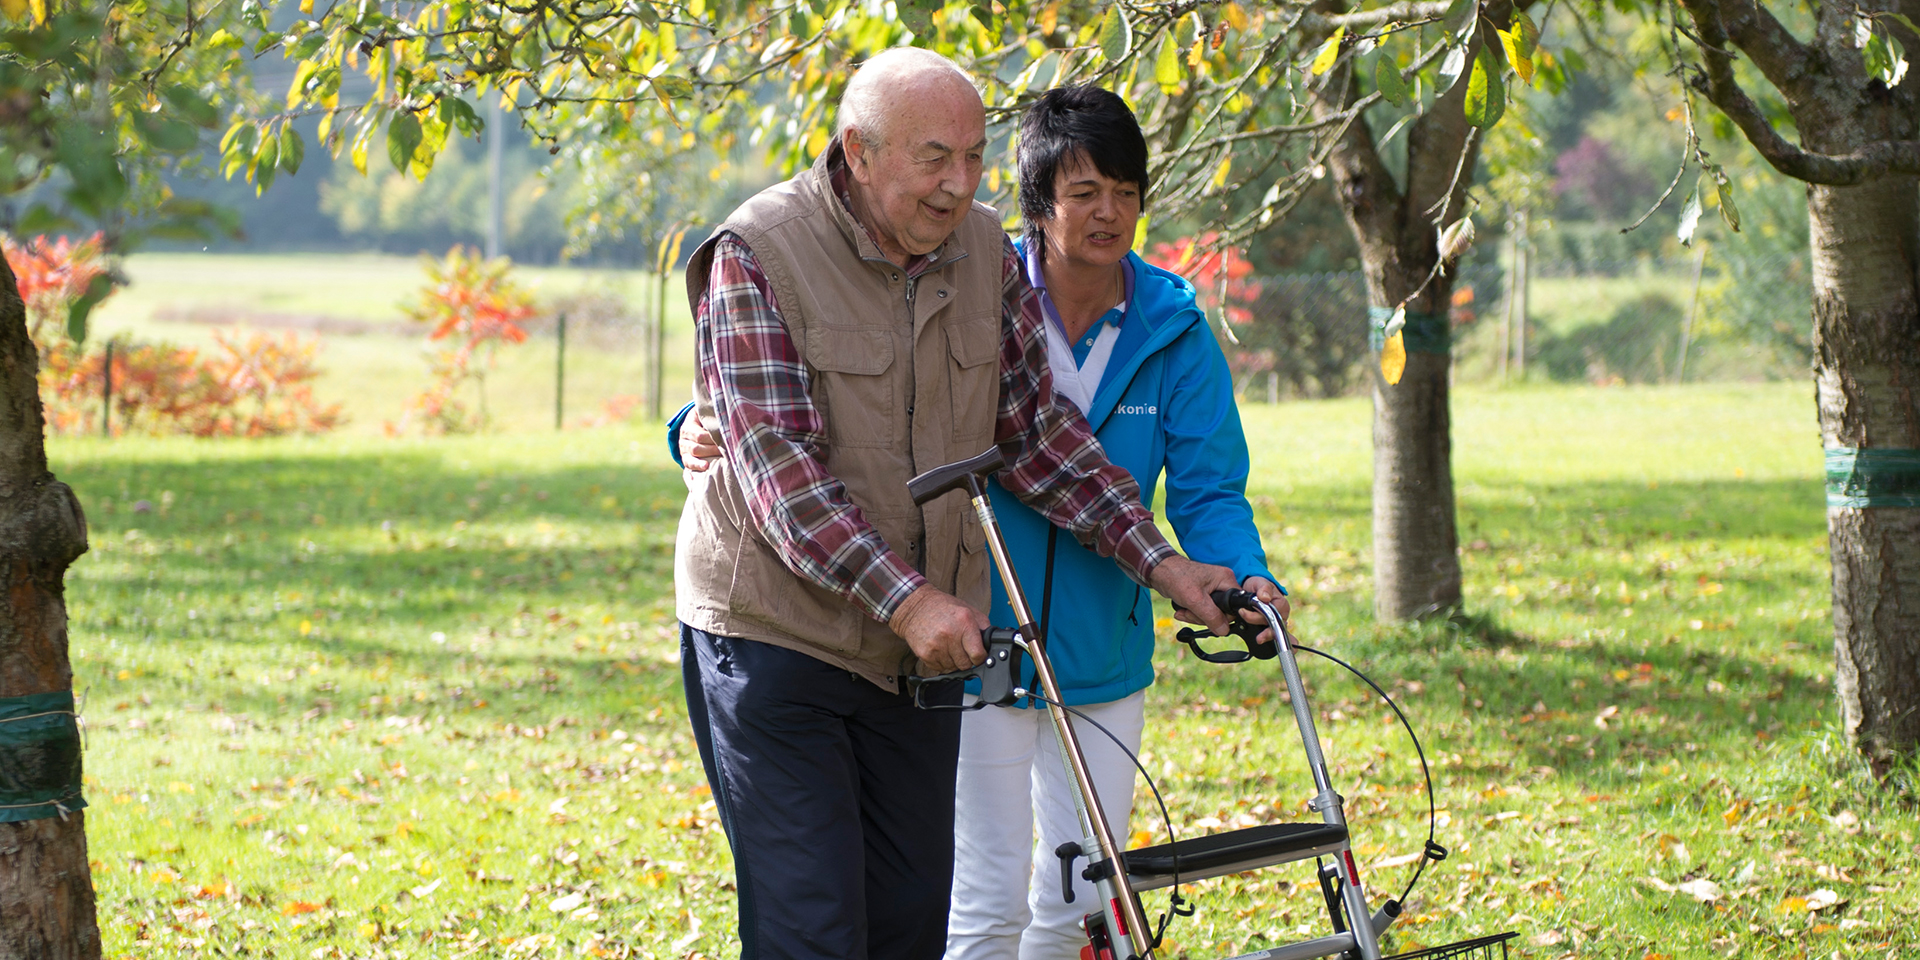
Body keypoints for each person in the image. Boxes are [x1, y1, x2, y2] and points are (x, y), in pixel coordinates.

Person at [672, 49, 1246, 960]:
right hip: (779, 635)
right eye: (934, 158)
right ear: (858, 153)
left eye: (974, 158)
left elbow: (1036, 432)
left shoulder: (984, 254)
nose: (959, 185)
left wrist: (1163, 563)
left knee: (908, 925)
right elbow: (777, 471)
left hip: (916, 660)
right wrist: (909, 599)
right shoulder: (759, 254)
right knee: (814, 928)